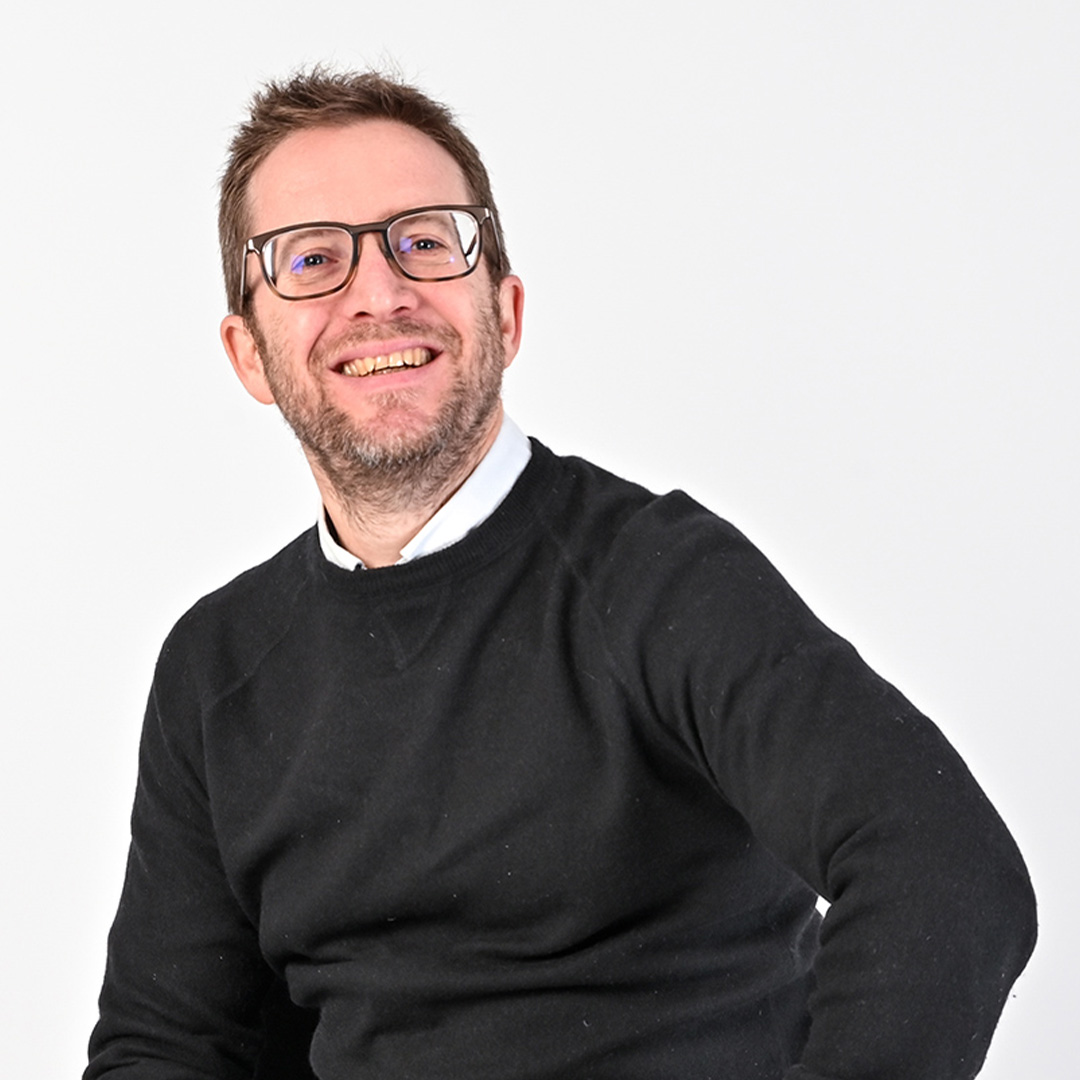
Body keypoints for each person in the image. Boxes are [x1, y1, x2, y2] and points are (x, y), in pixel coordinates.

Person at [85, 68, 1036, 1080]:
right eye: (313, 258)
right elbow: (169, 1045)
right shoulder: (218, 667)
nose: (380, 293)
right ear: (249, 356)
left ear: (506, 312)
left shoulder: (661, 582)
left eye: (425, 242)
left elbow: (944, 867)